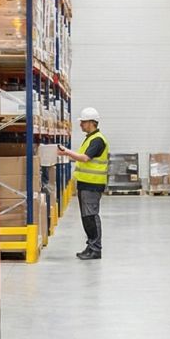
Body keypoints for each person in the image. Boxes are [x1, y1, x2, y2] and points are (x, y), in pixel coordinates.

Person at [57, 107, 108, 260]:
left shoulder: (98, 140)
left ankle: (96, 248)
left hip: (92, 185)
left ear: (92, 122)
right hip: (85, 183)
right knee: (86, 217)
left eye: (83, 122)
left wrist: (66, 152)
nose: (81, 125)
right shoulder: (90, 138)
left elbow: (85, 158)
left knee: (91, 216)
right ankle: (91, 245)